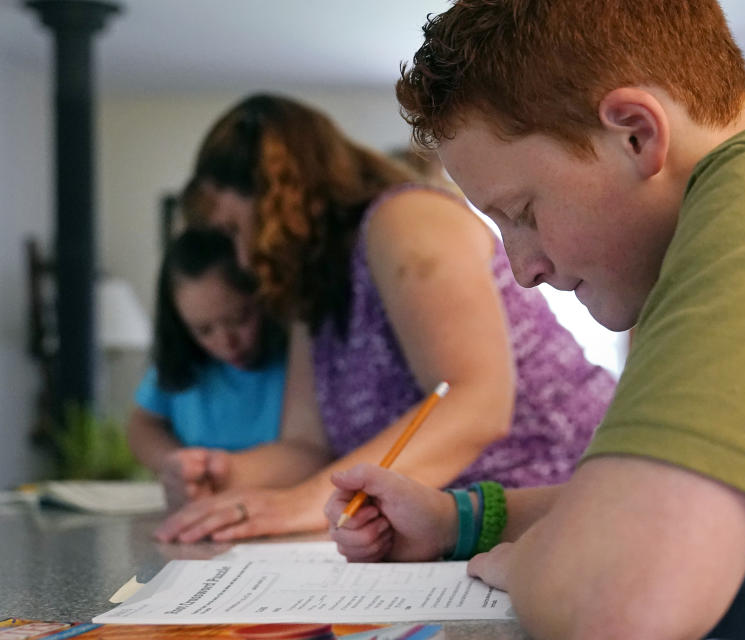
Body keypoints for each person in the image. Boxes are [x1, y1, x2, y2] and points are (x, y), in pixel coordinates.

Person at [325, 1, 745, 639]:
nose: (523, 270)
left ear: (636, 132)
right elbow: (646, 507)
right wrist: (455, 522)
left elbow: (615, 603)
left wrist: (543, 567)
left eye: (523, 212)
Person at [152, 93, 617, 543]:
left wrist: (303, 503)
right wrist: (223, 475)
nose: (244, 259)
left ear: (277, 197)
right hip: (453, 528)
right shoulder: (312, 289)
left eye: (236, 227)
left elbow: (476, 403)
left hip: (570, 496)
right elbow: (309, 447)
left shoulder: (404, 218)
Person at [128, 228, 319, 509]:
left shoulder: (299, 361)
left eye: (240, 319)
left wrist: (223, 474)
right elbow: (142, 424)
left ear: (266, 296)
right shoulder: (184, 362)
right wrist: (177, 466)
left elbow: (314, 452)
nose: (226, 342)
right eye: (204, 330)